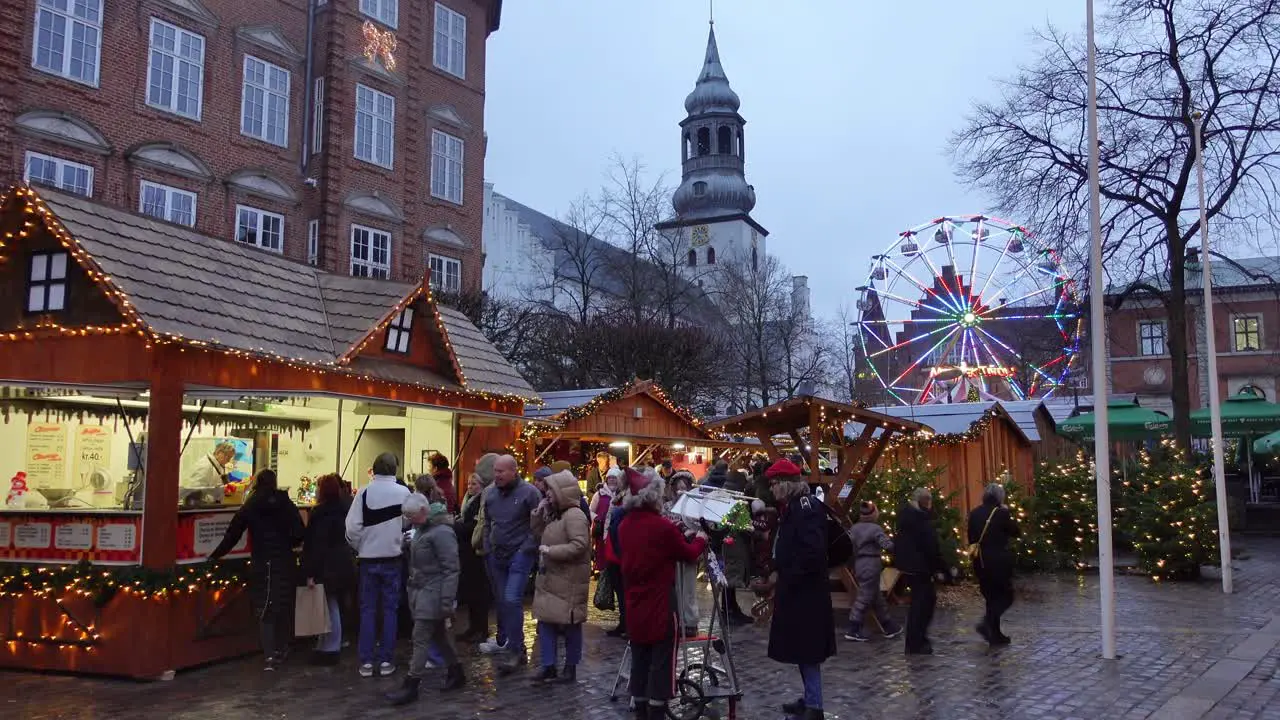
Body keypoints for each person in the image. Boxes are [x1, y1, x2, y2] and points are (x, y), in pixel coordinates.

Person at [618, 467, 708, 719]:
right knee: (661, 661)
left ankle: (642, 711)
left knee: (640, 659)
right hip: (660, 604)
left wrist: (676, 532)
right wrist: (700, 538)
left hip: (635, 603)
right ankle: (657, 711)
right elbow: (688, 553)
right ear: (652, 496)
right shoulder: (661, 526)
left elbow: (654, 546)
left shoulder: (626, 525)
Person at [208, 469, 304, 670]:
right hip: (284, 560)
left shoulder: (251, 504)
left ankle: (269, 654)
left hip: (262, 559)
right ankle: (281, 647)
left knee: (265, 606)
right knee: (283, 603)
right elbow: (299, 533)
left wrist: (215, 555)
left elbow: (233, 533)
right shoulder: (286, 503)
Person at [763, 459, 834, 720]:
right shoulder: (793, 507)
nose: (771, 489)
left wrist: (786, 574)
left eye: (773, 484)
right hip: (798, 589)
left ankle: (815, 706)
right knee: (803, 649)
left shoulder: (805, 508)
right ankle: (810, 698)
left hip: (806, 591)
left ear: (785, 484)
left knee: (808, 649)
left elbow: (812, 552)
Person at [387, 494, 464, 703]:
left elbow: (451, 569)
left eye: (411, 515)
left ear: (423, 511)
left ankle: (412, 684)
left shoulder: (442, 533)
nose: (409, 519)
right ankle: (456, 671)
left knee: (420, 637)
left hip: (434, 593)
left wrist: (447, 600)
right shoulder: (423, 529)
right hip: (423, 591)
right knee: (439, 637)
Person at [345, 452, 411, 678]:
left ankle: (366, 662)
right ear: (395, 469)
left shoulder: (364, 492)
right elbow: (408, 522)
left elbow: (352, 528)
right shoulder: (403, 492)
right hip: (393, 558)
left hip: (368, 560)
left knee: (368, 610)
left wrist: (362, 545)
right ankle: (386, 660)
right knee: (390, 610)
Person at [483, 454, 543, 673]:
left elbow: (538, 525)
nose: (496, 475)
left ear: (513, 471)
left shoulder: (530, 493)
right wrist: (487, 546)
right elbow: (488, 522)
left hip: (520, 554)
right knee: (502, 601)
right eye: (495, 471)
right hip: (497, 554)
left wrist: (526, 548)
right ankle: (512, 645)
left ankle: (516, 650)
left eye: (501, 471)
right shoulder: (490, 494)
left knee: (511, 598)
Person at [530, 469, 591, 683]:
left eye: (550, 491)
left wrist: (551, 552)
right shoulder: (555, 513)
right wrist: (539, 513)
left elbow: (579, 545)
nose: (547, 495)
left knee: (571, 623)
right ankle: (548, 665)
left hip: (569, 579)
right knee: (545, 621)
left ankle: (570, 667)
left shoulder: (574, 515)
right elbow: (539, 534)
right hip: (551, 579)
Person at [302, 473, 358, 665]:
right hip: (343, 562)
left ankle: (330, 646)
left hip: (327, 565)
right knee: (333, 604)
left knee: (328, 604)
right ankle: (329, 644)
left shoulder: (319, 514)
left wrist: (310, 572)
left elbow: (316, 545)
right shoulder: (346, 510)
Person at [895, 487, 945, 655]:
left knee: (919, 602)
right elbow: (930, 547)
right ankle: (916, 642)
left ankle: (915, 640)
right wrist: (940, 567)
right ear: (926, 502)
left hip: (908, 566)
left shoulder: (906, 516)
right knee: (923, 604)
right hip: (920, 567)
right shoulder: (920, 519)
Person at [969, 483, 1021, 646]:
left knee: (991, 598)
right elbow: (1015, 532)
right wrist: (1006, 512)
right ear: (1000, 497)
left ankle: (995, 635)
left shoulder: (974, 513)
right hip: (998, 561)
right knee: (1006, 596)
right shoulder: (1001, 514)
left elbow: (972, 538)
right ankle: (986, 624)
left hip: (981, 561)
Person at [844, 501, 901, 642]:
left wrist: (851, 565)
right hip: (871, 564)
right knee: (864, 597)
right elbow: (887, 545)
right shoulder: (875, 529)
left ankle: (888, 626)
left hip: (859, 564)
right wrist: (899, 545)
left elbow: (850, 548)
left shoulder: (855, 528)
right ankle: (853, 628)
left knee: (875, 597)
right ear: (874, 514)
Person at [456, 472, 492, 643]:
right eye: (469, 484)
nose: (470, 487)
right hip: (466, 550)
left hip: (476, 551)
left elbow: (476, 525)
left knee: (479, 591)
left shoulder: (481, 501)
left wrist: (457, 526)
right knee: (471, 591)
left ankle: (481, 628)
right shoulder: (467, 501)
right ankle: (473, 626)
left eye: (474, 484)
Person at [602, 467, 631, 637]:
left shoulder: (629, 499)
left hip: (621, 551)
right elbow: (609, 522)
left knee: (625, 590)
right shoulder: (617, 499)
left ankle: (628, 625)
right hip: (613, 550)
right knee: (620, 590)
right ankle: (623, 622)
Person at [181, 441, 236, 506]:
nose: (229, 460)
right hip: (198, 507)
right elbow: (194, 491)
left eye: (230, 458)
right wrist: (213, 497)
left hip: (206, 505)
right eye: (228, 457)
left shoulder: (216, 464)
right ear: (219, 453)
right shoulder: (205, 466)